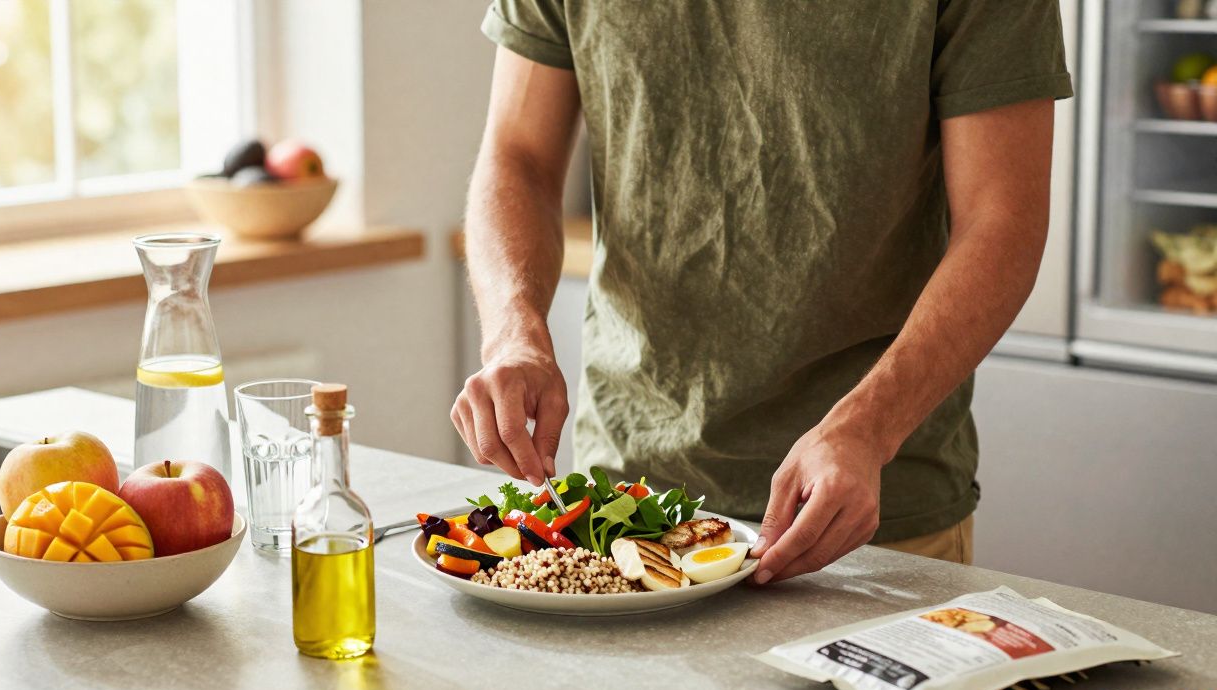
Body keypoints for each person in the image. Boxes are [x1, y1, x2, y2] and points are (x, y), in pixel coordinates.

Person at [452, 1, 1072, 584]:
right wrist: (514, 336)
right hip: (620, 505)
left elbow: (1002, 221)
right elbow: (519, 156)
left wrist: (868, 428)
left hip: (861, 512)